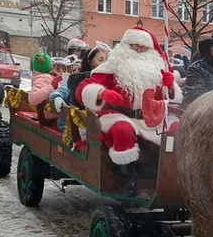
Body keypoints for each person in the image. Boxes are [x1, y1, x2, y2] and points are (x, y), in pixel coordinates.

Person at [76, 27, 179, 169]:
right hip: (120, 114)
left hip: (154, 118)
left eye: (143, 47)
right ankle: (127, 174)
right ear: (124, 46)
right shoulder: (112, 66)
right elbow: (83, 88)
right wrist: (102, 93)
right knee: (122, 129)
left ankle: (168, 170)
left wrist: (171, 87)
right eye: (134, 46)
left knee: (177, 128)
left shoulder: (158, 69)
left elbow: (173, 98)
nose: (138, 50)